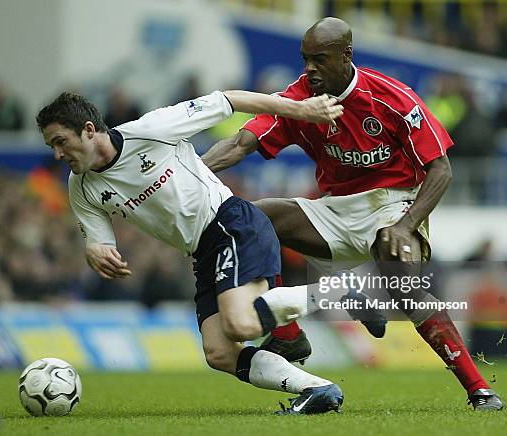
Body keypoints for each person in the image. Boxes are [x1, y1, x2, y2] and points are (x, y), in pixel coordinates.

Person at [202, 17, 504, 411]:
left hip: (394, 204)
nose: (310, 68)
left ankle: (479, 388)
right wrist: (186, 175)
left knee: (402, 283)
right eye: (306, 59)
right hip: (336, 210)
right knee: (254, 219)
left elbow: (441, 169)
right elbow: (241, 144)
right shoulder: (298, 101)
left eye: (320, 59)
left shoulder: (392, 97)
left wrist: (406, 224)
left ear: (346, 55)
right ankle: (289, 333)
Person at [36, 88, 347, 415]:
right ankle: (316, 389)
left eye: (60, 142)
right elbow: (98, 240)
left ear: (88, 130)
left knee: (240, 323)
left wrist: (301, 109)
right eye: (51, 146)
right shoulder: (80, 186)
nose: (58, 154)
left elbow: (229, 100)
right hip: (203, 252)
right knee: (220, 352)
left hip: (231, 223)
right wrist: (96, 251)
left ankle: (341, 293)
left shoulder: (152, 130)